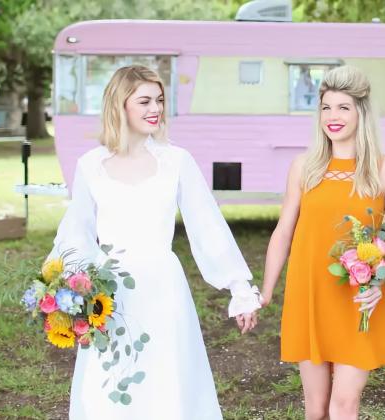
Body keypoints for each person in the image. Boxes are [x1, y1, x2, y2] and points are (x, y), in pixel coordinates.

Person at [48, 65, 260, 419]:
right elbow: (76, 232)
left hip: (164, 287)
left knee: (168, 379)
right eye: (144, 101)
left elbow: (207, 224)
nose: (155, 109)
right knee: (110, 381)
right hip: (109, 292)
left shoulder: (176, 161)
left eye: (159, 100)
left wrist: (239, 288)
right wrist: (66, 290)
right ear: (120, 105)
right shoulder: (91, 165)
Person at [259, 65, 385, 420]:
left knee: (344, 405)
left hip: (359, 298)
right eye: (326, 107)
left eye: (343, 107)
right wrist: (266, 291)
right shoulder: (304, 167)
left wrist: (379, 281)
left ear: (361, 112)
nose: (333, 116)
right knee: (316, 410)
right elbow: (283, 232)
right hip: (308, 293)